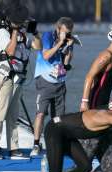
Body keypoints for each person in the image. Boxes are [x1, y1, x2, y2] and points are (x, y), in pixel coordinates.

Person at [0, 4, 41, 159]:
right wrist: (15, 31)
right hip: (5, 78)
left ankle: (14, 148)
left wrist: (35, 32)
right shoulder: (3, 33)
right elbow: (10, 51)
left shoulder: (24, 35)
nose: (23, 22)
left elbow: (38, 47)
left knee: (13, 116)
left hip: (18, 80)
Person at [30, 17, 76, 157]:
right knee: (41, 113)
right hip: (44, 81)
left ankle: (58, 145)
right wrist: (60, 42)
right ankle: (36, 144)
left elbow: (66, 63)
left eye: (69, 32)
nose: (67, 34)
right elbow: (46, 55)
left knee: (59, 117)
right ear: (58, 28)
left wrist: (68, 47)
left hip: (60, 82)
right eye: (65, 32)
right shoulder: (48, 36)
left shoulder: (69, 39)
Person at [80, 27, 112, 111]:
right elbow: (89, 76)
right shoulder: (106, 56)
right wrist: (84, 102)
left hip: (103, 102)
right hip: (95, 102)